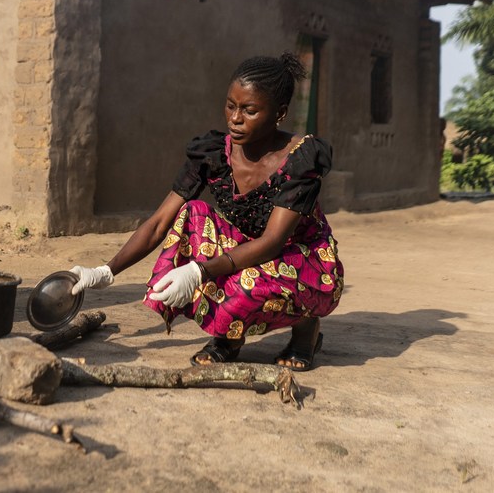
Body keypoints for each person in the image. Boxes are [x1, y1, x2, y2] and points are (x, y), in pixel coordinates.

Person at [67, 53, 343, 370]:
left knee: (247, 284)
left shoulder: (300, 159)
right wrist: (106, 271)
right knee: (193, 213)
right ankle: (228, 337)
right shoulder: (213, 153)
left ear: (279, 113)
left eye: (249, 110)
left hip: (301, 260)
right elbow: (159, 222)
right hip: (246, 249)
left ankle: (306, 330)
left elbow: (271, 243)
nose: (235, 118)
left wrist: (200, 271)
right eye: (230, 106)